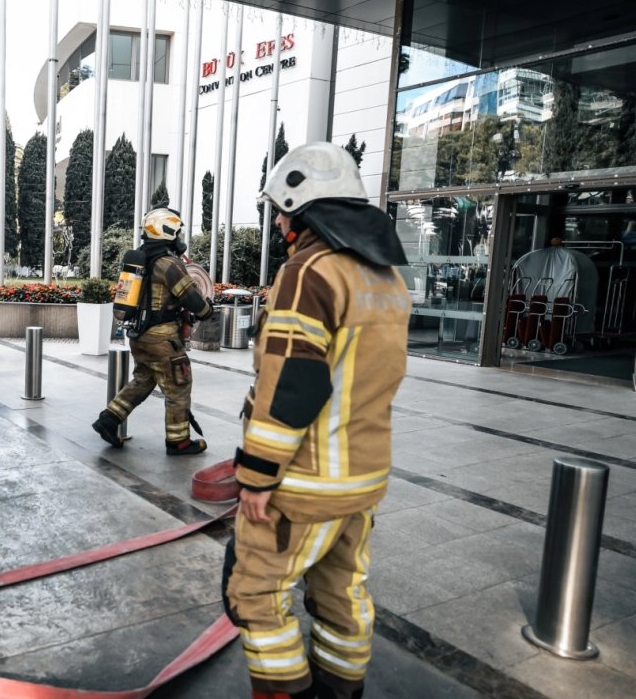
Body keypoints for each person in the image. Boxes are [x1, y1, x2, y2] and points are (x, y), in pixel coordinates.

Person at [222, 143, 410, 699]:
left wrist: (256, 474)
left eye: (282, 210)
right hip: (364, 478)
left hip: (304, 482)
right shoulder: (386, 278)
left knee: (256, 594)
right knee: (343, 593)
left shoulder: (309, 273)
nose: (279, 220)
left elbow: (293, 384)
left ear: (300, 210)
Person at [92, 207, 213, 456]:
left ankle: (108, 419)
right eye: (177, 233)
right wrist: (206, 310)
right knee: (179, 386)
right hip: (163, 340)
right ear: (167, 231)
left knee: (144, 380)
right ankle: (178, 442)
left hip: (139, 337)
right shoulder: (169, 264)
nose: (180, 238)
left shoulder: (141, 259)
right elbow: (193, 299)